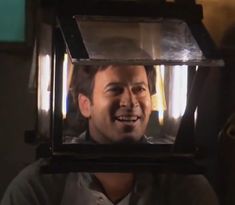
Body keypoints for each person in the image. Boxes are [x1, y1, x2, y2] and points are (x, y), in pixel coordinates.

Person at [1, 64, 219, 205]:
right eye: (115, 89)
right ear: (86, 105)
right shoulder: (39, 187)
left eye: (139, 89)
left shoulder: (184, 185)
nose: (131, 102)